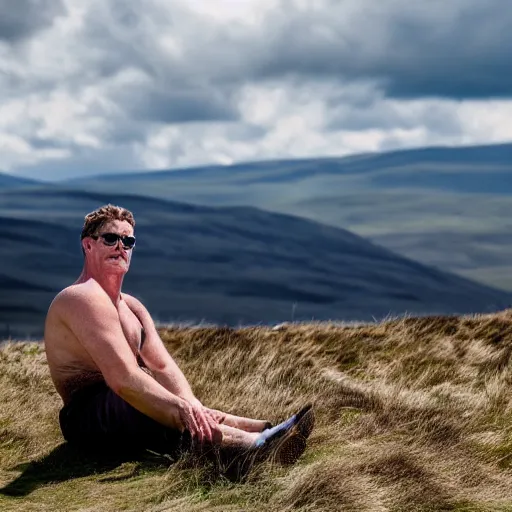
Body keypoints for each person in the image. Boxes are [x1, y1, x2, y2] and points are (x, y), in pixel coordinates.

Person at [44, 204, 314, 481]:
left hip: (125, 406)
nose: (120, 247)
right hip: (87, 417)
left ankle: (263, 431)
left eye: (128, 241)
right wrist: (181, 409)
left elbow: (162, 366)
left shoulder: (133, 307)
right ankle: (253, 446)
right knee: (150, 402)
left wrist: (191, 405)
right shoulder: (79, 297)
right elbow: (123, 379)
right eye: (110, 239)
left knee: (169, 400)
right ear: (88, 245)